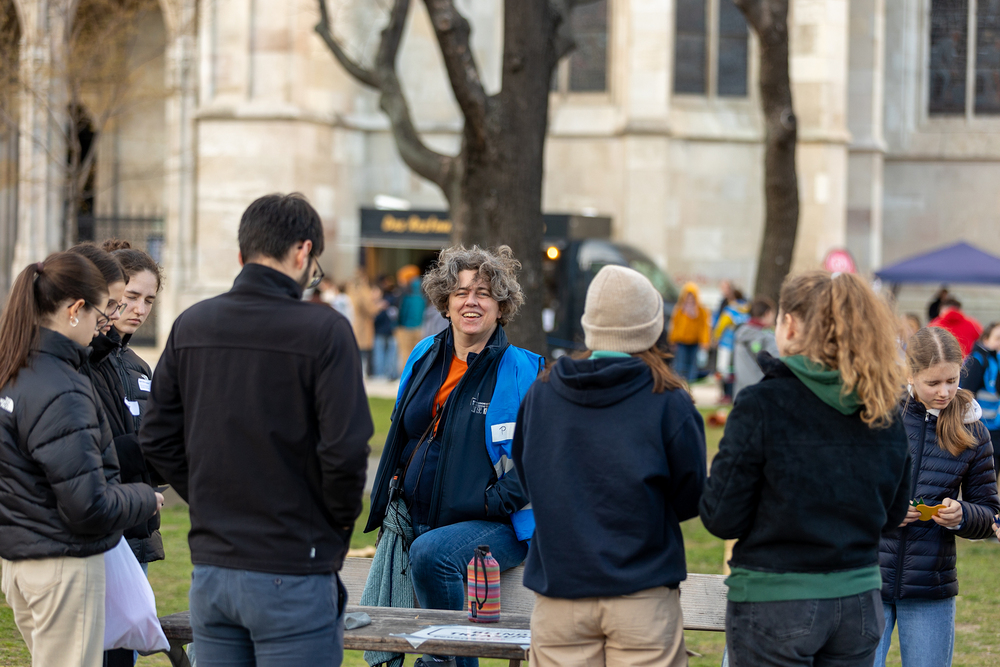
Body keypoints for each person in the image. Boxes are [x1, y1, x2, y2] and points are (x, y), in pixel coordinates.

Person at [139, 193, 373, 665]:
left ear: (242, 254)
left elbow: (157, 436)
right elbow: (346, 451)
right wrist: (332, 526)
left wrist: (208, 496)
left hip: (216, 567)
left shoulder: (192, 324)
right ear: (304, 253)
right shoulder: (324, 330)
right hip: (291, 564)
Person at [700, 271, 912, 667]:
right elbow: (893, 513)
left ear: (791, 324)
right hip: (858, 602)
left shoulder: (763, 404)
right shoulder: (882, 408)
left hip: (776, 599)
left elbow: (721, 516)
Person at [512, 265, 706, 667]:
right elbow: (690, 494)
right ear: (653, 327)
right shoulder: (669, 400)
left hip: (560, 591)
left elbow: (530, 477)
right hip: (641, 590)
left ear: (590, 324)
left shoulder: (542, 394)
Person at [365, 245, 543, 667]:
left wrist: (489, 503)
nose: (471, 302)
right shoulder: (423, 356)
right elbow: (403, 433)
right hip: (417, 518)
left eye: (484, 293)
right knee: (428, 547)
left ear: (501, 306)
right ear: (445, 303)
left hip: (498, 526)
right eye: (461, 292)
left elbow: (538, 461)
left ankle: (437, 660)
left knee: (433, 553)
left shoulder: (522, 370)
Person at [0, 252, 161, 667]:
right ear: (75, 310)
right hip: (62, 566)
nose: (108, 323)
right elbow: (88, 505)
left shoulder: (17, 367)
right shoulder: (63, 386)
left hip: (24, 560)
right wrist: (144, 497)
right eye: (104, 312)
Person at [874, 327, 1000, 667]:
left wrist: (963, 515)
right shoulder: (880, 417)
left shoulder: (974, 431)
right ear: (910, 375)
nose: (944, 392)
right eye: (933, 383)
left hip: (931, 584)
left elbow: (989, 512)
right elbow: (841, 493)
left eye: (952, 380)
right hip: (867, 578)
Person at [69, 242, 156, 667]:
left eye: (148, 300)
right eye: (129, 297)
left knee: (123, 657)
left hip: (137, 530)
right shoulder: (80, 361)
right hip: (96, 530)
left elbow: (146, 450)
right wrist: (155, 447)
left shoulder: (138, 366)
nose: (136, 309)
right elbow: (90, 455)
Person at [961, 321, 1000, 476]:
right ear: (986, 339)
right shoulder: (977, 361)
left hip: (995, 426)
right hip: (983, 427)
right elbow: (966, 393)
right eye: (997, 338)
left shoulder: (994, 359)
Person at [731, 296, 778, 400]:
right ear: (768, 313)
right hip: (762, 392)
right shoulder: (766, 338)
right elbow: (777, 362)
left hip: (741, 393)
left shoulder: (741, 334)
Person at [712, 287, 749, 402]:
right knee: (735, 371)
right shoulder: (747, 311)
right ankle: (733, 394)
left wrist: (715, 337)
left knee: (723, 371)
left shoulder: (730, 310)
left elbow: (721, 326)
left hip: (726, 344)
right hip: (740, 345)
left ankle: (725, 395)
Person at [668, 282, 710, 382]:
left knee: (692, 366)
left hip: (695, 342)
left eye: (692, 297)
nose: (690, 299)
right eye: (688, 297)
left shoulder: (701, 311)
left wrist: (705, 342)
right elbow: (674, 325)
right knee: (680, 364)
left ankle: (690, 383)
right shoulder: (679, 309)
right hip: (681, 342)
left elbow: (704, 327)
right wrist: (672, 340)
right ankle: (679, 383)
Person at [395, 265, 426, 375]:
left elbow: (402, 311)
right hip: (421, 327)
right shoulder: (424, 289)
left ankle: (407, 377)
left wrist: (397, 324)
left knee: (406, 355)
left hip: (405, 327)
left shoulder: (405, 291)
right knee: (419, 354)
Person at [372, 275, 399, 379]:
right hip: (384, 329)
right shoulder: (389, 299)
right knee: (382, 353)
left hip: (384, 329)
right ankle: (383, 374)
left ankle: (384, 375)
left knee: (384, 353)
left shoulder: (388, 299)